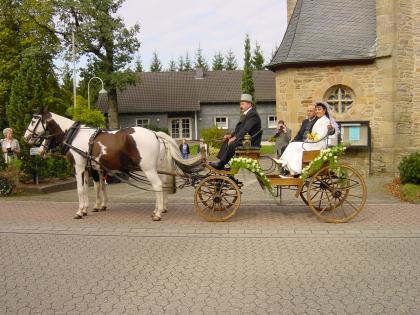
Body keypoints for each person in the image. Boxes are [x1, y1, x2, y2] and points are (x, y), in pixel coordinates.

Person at [275, 102, 331, 177]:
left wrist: (309, 139)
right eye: (316, 109)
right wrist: (294, 140)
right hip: (311, 142)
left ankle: (286, 164)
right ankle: (290, 169)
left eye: (318, 110)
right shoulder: (312, 120)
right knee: (292, 145)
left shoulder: (323, 120)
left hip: (317, 144)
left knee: (294, 146)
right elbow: (300, 134)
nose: (317, 111)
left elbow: (321, 134)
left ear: (324, 111)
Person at [209, 93, 262, 170]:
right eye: (240, 104)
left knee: (233, 144)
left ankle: (221, 164)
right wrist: (231, 135)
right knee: (227, 140)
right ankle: (221, 162)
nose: (241, 106)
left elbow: (246, 129)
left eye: (243, 104)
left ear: (249, 104)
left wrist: (235, 137)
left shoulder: (252, 114)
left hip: (251, 142)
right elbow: (240, 128)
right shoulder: (247, 114)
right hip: (246, 139)